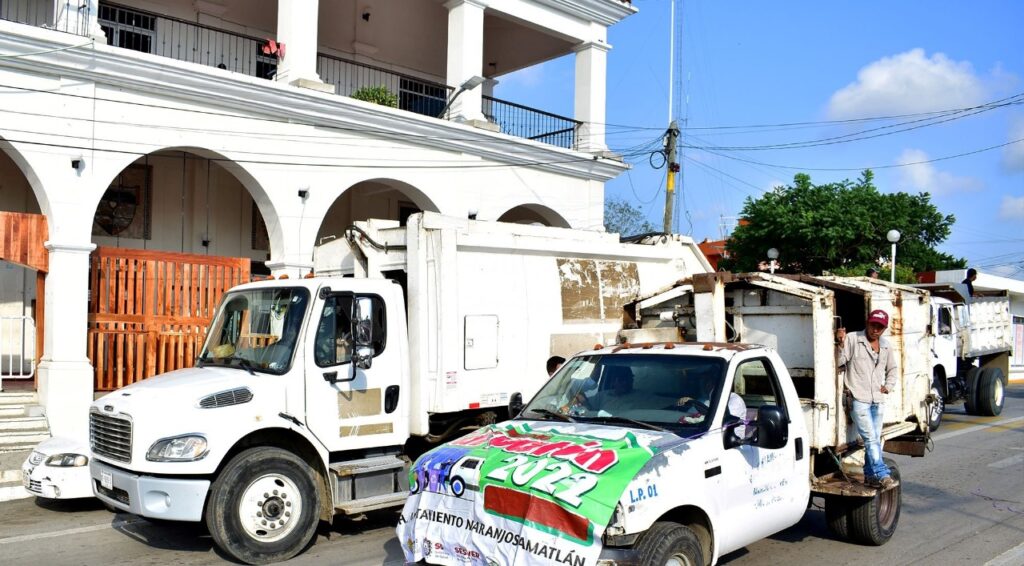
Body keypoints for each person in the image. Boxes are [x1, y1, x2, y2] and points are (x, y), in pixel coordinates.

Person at [836, 309, 898, 489]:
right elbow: (840, 361)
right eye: (873, 325)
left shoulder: (886, 346)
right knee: (870, 438)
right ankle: (881, 473)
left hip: (877, 399)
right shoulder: (853, 339)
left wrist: (889, 386)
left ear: (884, 329)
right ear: (867, 323)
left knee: (875, 438)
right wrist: (840, 343)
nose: (875, 330)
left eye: (880, 327)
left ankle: (871, 475)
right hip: (859, 398)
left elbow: (892, 369)